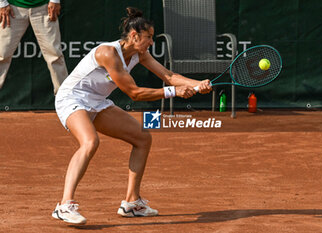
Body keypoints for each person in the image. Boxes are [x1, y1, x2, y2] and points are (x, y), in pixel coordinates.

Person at [51, 7, 212, 225]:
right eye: (148, 37)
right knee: (89, 142)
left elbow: (169, 76)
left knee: (142, 138)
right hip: (72, 99)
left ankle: (132, 202)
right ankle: (64, 205)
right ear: (134, 35)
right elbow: (134, 93)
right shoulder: (107, 53)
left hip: (97, 103)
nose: (151, 42)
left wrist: (198, 84)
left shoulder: (140, 54)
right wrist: (175, 92)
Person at [0, 0, 67, 95]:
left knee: (54, 55)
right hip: (12, 7)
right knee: (2, 54)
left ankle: (65, 99)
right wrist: (2, 3)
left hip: (44, 7)